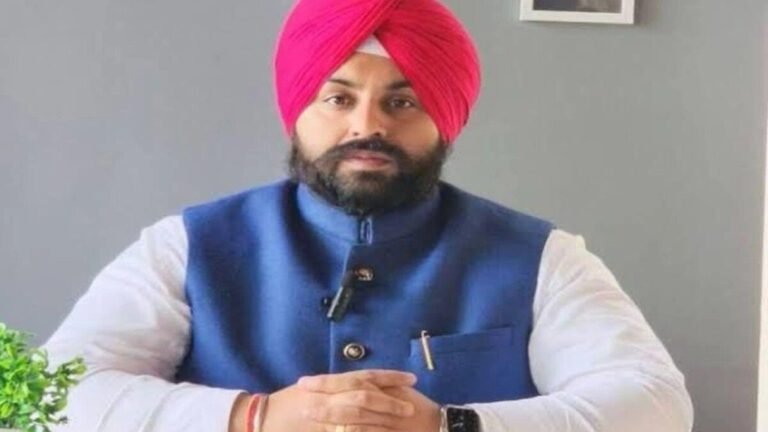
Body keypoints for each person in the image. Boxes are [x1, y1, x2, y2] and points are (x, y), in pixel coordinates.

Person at [44, 0, 693, 431]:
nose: (368, 126)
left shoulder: (541, 257)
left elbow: (655, 404)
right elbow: (52, 396)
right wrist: (253, 418)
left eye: (402, 102)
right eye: (338, 98)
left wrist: (451, 425)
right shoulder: (188, 245)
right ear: (298, 111)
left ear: (444, 120)